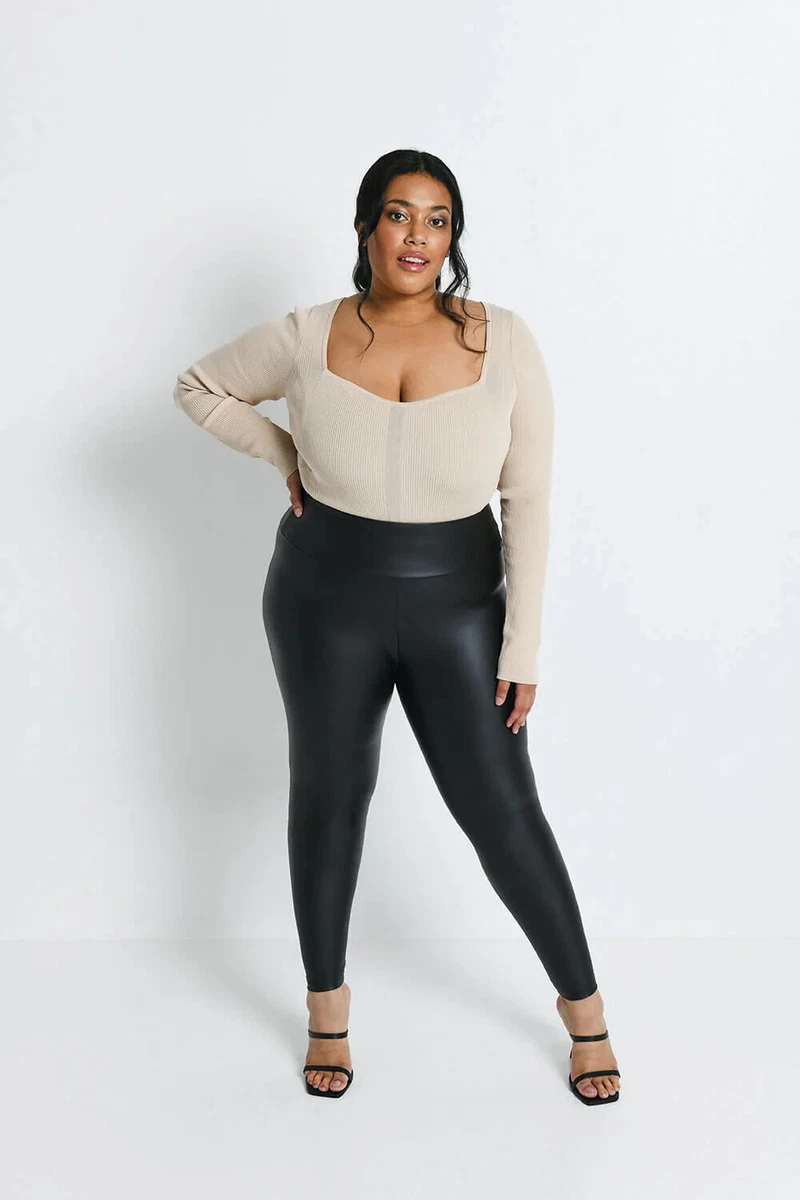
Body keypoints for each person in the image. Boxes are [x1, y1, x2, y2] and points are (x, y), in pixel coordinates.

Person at [172, 149, 621, 1106]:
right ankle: (326, 1011)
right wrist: (283, 451)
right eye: (398, 214)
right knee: (329, 796)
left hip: (459, 605)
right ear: (365, 226)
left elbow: (529, 501)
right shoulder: (306, 333)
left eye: (437, 219)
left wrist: (523, 645)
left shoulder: (504, 339)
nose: (417, 236)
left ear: (453, 237)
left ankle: (585, 1013)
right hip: (322, 599)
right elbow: (200, 386)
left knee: (501, 812)